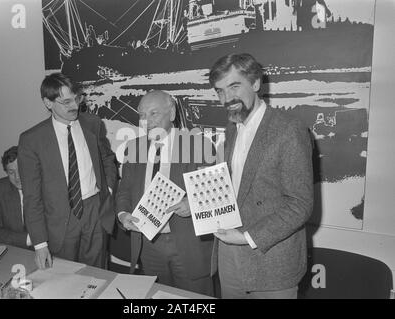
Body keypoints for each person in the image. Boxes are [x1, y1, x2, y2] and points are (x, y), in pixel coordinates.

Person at [208, 53, 314, 299]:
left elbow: (300, 204)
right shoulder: (232, 129)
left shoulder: (289, 130)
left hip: (271, 262)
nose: (227, 98)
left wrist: (247, 237)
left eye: (234, 87)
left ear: (256, 84)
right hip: (228, 255)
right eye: (220, 91)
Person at [116, 90, 215, 296]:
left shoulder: (199, 145)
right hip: (148, 244)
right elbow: (124, 190)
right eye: (142, 115)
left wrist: (192, 204)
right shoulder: (133, 148)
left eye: (154, 114)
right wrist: (123, 215)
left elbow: (214, 196)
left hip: (188, 245)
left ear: (171, 114)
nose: (147, 121)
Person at [18, 72, 118, 270]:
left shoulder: (92, 124)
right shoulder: (31, 140)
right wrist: (40, 243)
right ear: (48, 103)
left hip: (94, 210)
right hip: (60, 219)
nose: (74, 106)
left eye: (77, 99)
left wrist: (108, 188)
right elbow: (32, 197)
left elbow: (107, 158)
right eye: (66, 102)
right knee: (65, 278)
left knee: (97, 274)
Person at [0, 146, 32, 249]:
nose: (17, 177)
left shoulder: (45, 186)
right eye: (11, 172)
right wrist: (26, 239)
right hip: (13, 250)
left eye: (21, 170)